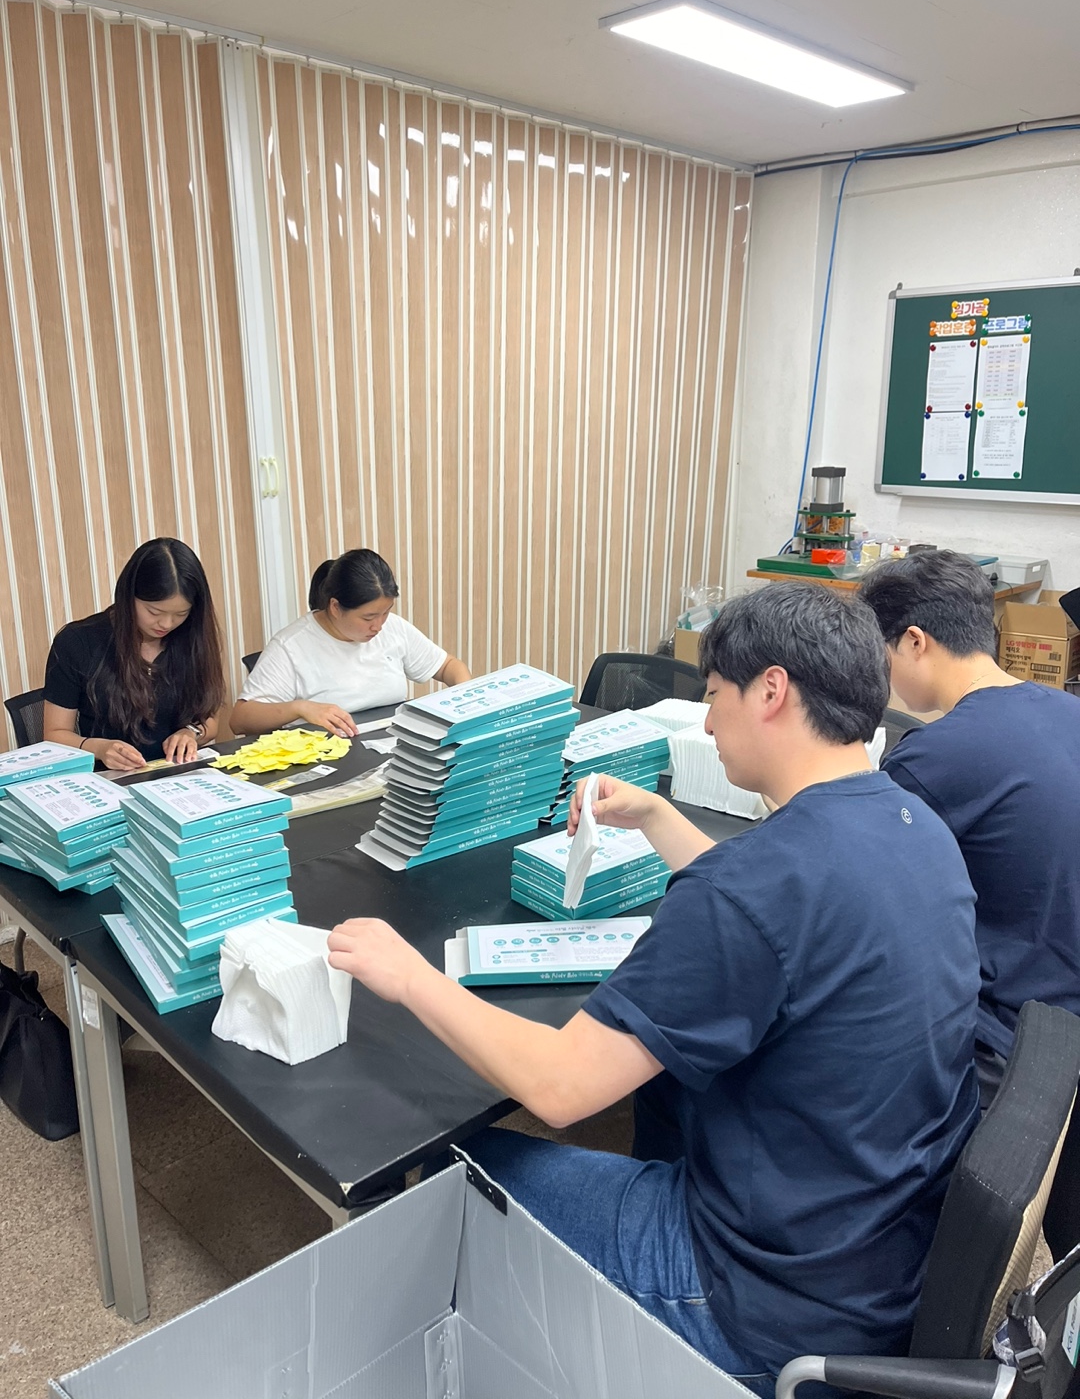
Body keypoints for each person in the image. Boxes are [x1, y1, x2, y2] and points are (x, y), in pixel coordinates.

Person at [326, 583, 980, 1394]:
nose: (706, 724)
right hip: (884, 1255)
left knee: (450, 1167)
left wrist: (409, 975)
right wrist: (658, 818)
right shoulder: (916, 827)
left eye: (715, 695)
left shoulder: (749, 889)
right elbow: (785, 916)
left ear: (771, 691)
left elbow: (561, 1089)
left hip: (760, 1296)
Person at [859, 549, 1080, 1097]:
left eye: (881, 653)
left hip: (1009, 1036)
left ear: (914, 641)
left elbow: (861, 891)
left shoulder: (934, 757)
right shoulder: (1068, 710)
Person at [230, 548, 470, 738]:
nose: (378, 626)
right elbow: (240, 720)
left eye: (385, 612)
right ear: (335, 607)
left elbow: (448, 666)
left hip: (390, 748)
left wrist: (468, 702)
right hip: (328, 759)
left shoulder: (394, 628)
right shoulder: (291, 646)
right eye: (368, 618)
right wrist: (299, 708)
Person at [43, 538, 225, 771]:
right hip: (108, 777)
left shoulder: (191, 637)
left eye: (181, 614)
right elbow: (55, 735)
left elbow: (209, 719)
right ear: (129, 596)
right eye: (154, 612)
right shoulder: (78, 642)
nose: (167, 624)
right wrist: (99, 748)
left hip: (176, 774)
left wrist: (190, 733)